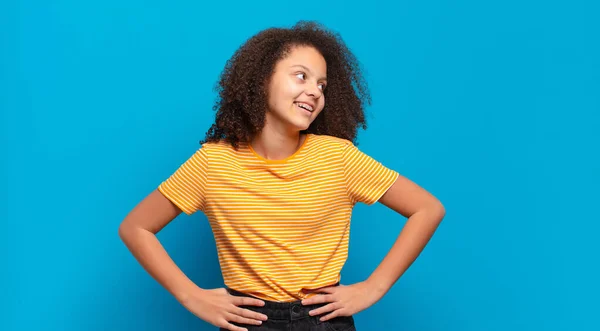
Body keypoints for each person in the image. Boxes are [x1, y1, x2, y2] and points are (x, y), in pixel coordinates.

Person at [118, 20, 445, 331]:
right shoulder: (212, 163)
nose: (315, 91)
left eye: (322, 85)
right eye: (301, 76)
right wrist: (190, 295)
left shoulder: (339, 157)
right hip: (246, 320)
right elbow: (135, 227)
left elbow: (427, 208)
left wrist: (375, 287)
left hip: (322, 319)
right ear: (262, 79)